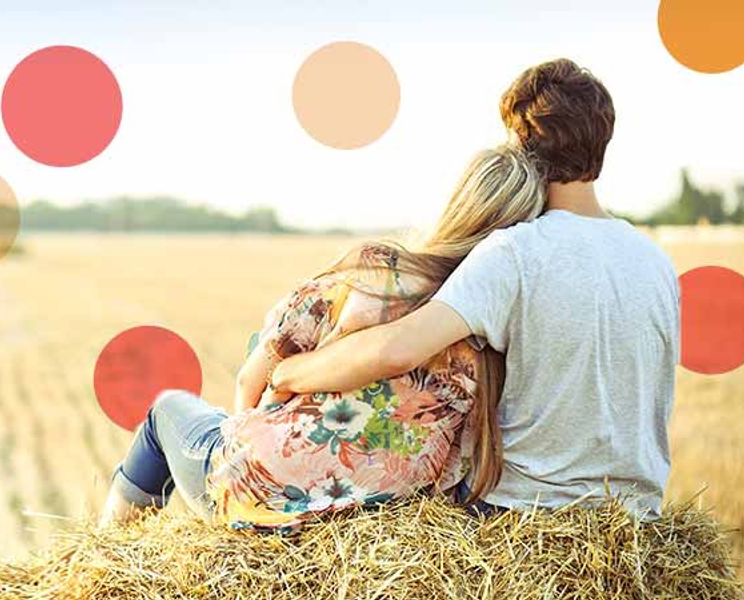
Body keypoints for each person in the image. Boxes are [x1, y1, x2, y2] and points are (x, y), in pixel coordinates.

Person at [270, 58, 680, 518]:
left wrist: (291, 373)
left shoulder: (516, 253)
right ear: (603, 143)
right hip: (638, 517)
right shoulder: (657, 262)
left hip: (526, 511)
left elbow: (396, 350)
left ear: (521, 146)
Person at [101, 144, 546, 529]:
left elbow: (251, 381)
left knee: (166, 412)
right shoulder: (488, 336)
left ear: (458, 206)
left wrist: (252, 452)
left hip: (264, 494)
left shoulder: (376, 271)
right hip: (380, 516)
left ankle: (106, 559)